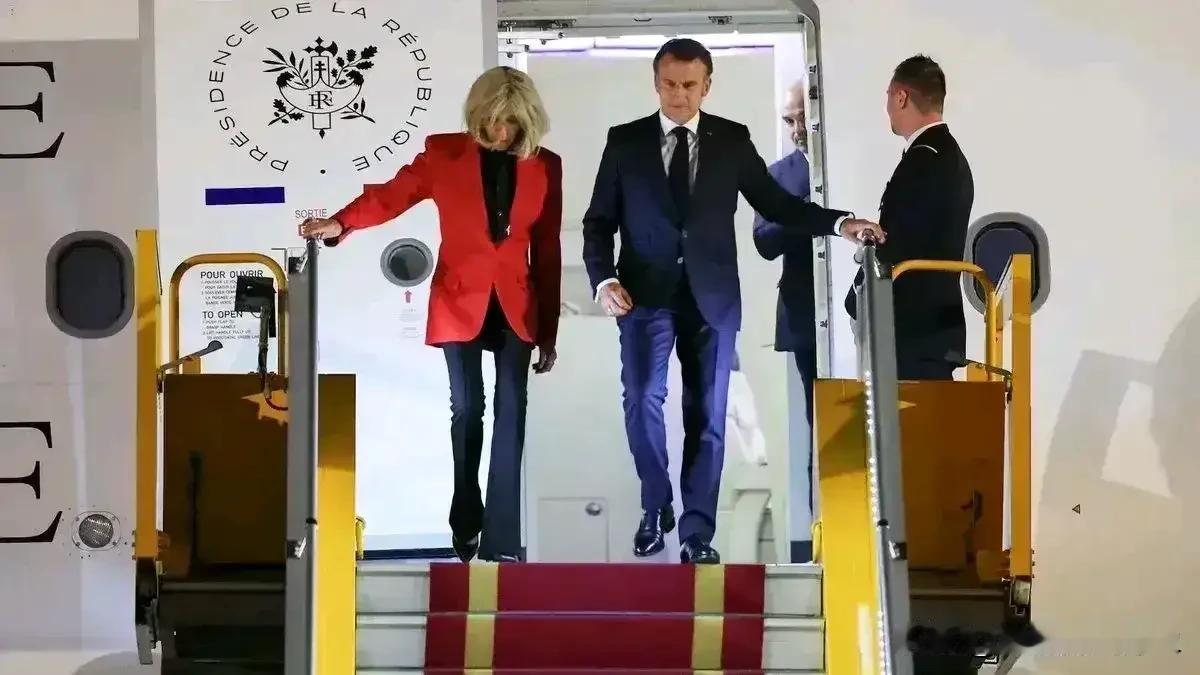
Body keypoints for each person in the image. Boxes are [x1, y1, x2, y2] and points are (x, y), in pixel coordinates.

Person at [582, 38, 883, 564]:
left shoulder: (732, 139)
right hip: (643, 297)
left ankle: (697, 534)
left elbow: (778, 205)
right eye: (669, 84)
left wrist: (839, 223)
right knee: (641, 398)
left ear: (707, 85)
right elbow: (597, 222)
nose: (678, 95)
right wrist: (604, 280)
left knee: (708, 415)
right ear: (656, 83)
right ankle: (656, 504)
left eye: (689, 85)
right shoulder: (625, 141)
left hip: (713, 299)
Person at [299, 66, 562, 563]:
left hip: (517, 303)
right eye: (493, 119)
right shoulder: (444, 153)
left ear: (527, 120)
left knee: (512, 410)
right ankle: (465, 514)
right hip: (459, 299)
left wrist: (548, 331)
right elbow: (392, 195)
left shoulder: (546, 165)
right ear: (477, 114)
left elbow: (547, 250)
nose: (501, 130)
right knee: (467, 407)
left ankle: (502, 537)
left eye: (511, 121)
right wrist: (341, 222)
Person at [845, 54, 973, 380]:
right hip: (935, 328)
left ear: (901, 97)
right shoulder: (948, 155)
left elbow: (897, 241)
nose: (887, 107)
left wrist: (855, 298)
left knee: (904, 413)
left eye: (888, 96)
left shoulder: (923, 160)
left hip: (911, 329)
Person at [750, 80, 820, 563]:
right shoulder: (777, 176)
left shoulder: (854, 163)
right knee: (819, 427)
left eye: (801, 118)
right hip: (806, 316)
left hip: (861, 314)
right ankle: (821, 536)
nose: (796, 129)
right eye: (788, 120)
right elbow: (764, 241)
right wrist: (807, 215)